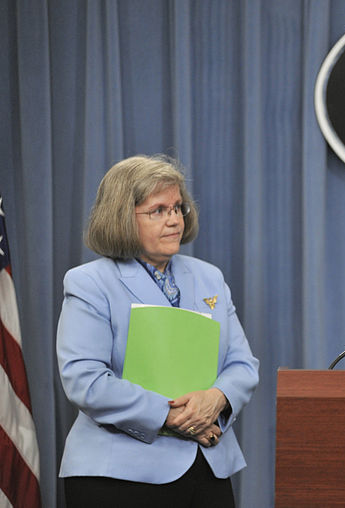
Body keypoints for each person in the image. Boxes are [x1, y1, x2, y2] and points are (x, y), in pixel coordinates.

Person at [56, 154, 260, 507]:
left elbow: (242, 364)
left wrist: (217, 399)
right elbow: (86, 380)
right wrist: (172, 416)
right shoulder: (90, 283)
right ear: (122, 216)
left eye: (179, 208)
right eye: (159, 211)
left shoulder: (208, 277)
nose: (175, 221)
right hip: (118, 475)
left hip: (207, 467)